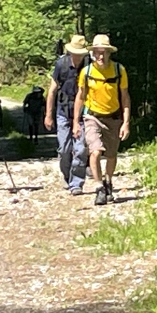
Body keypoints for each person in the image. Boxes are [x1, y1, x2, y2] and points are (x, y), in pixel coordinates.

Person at [73, 34, 131, 206]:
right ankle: (99, 187)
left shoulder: (119, 71)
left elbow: (125, 97)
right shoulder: (86, 72)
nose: (100, 56)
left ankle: (108, 182)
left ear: (109, 53)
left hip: (113, 118)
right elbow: (80, 97)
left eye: (104, 52)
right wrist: (76, 122)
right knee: (95, 151)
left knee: (112, 155)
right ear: (92, 53)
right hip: (92, 117)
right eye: (97, 52)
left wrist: (126, 122)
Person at [44, 35, 90, 195]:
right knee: (64, 149)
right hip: (63, 110)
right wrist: (48, 115)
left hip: (84, 111)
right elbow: (52, 91)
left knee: (81, 149)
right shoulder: (61, 64)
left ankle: (76, 183)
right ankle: (67, 177)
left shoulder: (89, 65)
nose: (77, 56)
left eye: (80, 53)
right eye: (74, 53)